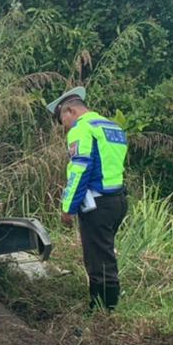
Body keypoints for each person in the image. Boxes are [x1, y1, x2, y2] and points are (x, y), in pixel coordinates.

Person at [47, 86, 129, 311]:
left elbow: (79, 170)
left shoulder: (81, 129)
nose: (63, 128)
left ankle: (102, 312)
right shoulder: (112, 126)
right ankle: (105, 307)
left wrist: (68, 207)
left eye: (61, 120)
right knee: (105, 252)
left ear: (69, 111)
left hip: (98, 205)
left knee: (98, 260)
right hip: (118, 200)